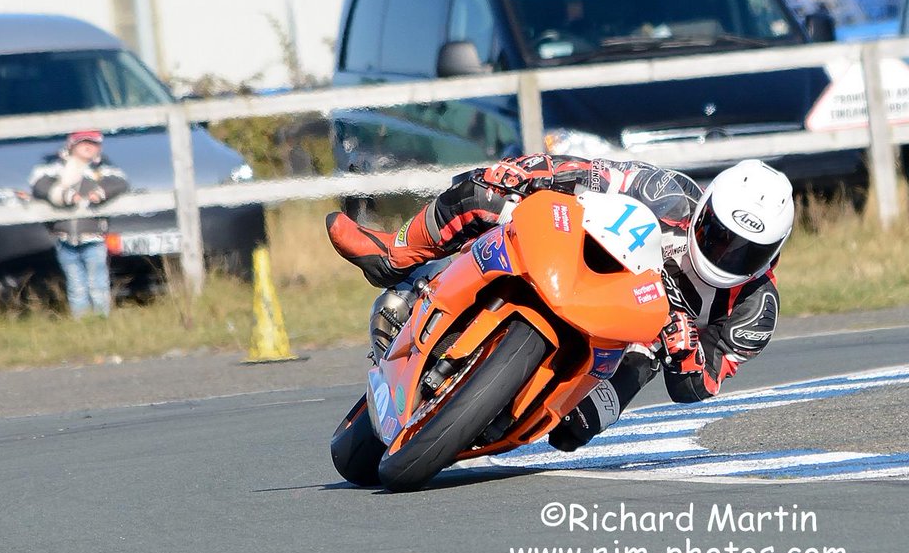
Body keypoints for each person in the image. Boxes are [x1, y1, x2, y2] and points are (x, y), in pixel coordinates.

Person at [326, 153, 794, 452]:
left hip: (632, 340)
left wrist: (686, 353)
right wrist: (528, 175)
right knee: (485, 192)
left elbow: (698, 387)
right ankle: (397, 255)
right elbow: (591, 173)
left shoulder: (755, 311)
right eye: (717, 235)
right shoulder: (666, 194)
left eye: (746, 253)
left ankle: (505, 410)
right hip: (581, 259)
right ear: (705, 207)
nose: (724, 254)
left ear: (772, 255)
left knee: (577, 429)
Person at [29, 131, 128, 317]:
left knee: (98, 283)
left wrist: (100, 193)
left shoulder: (103, 167)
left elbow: (120, 182)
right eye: (83, 142)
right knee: (76, 285)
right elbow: (39, 184)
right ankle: (81, 320)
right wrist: (64, 195)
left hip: (94, 237)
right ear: (71, 144)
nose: (88, 146)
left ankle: (101, 318)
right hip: (64, 238)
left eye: (93, 142)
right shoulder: (55, 166)